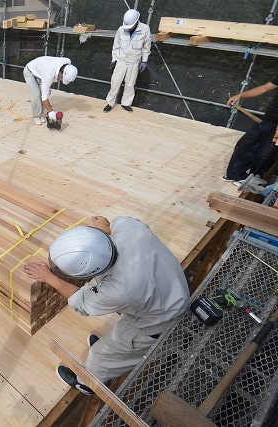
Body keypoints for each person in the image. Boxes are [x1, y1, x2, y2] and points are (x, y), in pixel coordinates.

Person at [23, 216, 188, 395]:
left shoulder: (119, 290)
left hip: (159, 321)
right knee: (123, 329)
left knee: (100, 356)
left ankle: (87, 383)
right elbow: (113, 225)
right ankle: (115, 346)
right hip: (173, 291)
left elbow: (82, 302)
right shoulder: (128, 227)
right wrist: (105, 229)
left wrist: (49, 277)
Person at [220, 77, 278, 186]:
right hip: (268, 120)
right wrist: (240, 95)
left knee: (265, 154)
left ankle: (253, 181)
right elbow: (264, 88)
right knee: (245, 144)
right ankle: (235, 174)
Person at [103, 9, 151, 113]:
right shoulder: (121, 29)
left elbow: (146, 47)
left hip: (134, 61)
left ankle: (126, 103)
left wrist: (144, 61)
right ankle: (110, 103)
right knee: (115, 82)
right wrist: (114, 60)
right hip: (121, 60)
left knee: (130, 84)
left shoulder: (145, 29)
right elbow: (116, 46)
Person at [23, 56, 78, 125]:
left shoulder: (67, 62)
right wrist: (51, 112)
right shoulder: (49, 74)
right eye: (61, 78)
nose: (60, 80)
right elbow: (44, 98)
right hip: (30, 71)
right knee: (36, 94)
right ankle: (36, 116)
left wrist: (50, 111)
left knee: (47, 92)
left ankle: (41, 113)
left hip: (41, 72)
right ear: (61, 72)